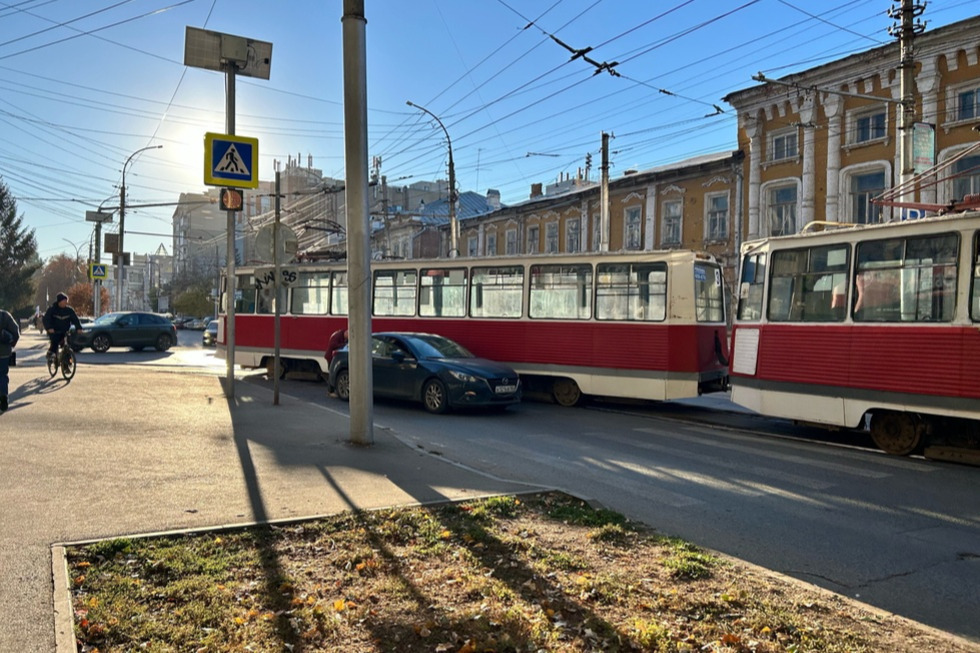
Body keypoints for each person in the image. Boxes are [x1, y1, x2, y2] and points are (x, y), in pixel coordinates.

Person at [42, 293, 83, 359]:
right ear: (59, 302)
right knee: (55, 342)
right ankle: (51, 353)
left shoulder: (69, 310)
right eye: (64, 301)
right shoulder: (52, 310)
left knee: (67, 345)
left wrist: (79, 328)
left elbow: (75, 320)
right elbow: (46, 319)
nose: (65, 303)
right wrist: (49, 328)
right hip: (54, 331)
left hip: (65, 330)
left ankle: (67, 363)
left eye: (66, 301)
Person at [0, 307, 19, 413]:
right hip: (4, 352)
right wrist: (11, 344)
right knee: (3, 374)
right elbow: (16, 331)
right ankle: (3, 396)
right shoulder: (5, 315)